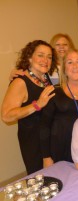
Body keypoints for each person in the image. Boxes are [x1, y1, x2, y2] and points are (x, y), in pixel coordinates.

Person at [1, 40, 57, 174]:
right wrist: (37, 105)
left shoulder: (45, 78)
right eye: (41, 55)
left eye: (49, 57)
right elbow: (6, 115)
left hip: (49, 140)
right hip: (33, 142)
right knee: (41, 182)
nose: (45, 60)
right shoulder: (20, 81)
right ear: (29, 57)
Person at [39, 49, 78, 168]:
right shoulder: (53, 92)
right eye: (69, 62)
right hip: (60, 151)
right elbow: (44, 127)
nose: (74, 66)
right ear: (64, 69)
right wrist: (46, 157)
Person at [9, 33, 75, 85]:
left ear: (70, 47)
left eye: (65, 44)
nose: (61, 47)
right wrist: (14, 73)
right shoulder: (45, 66)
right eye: (57, 45)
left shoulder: (75, 66)